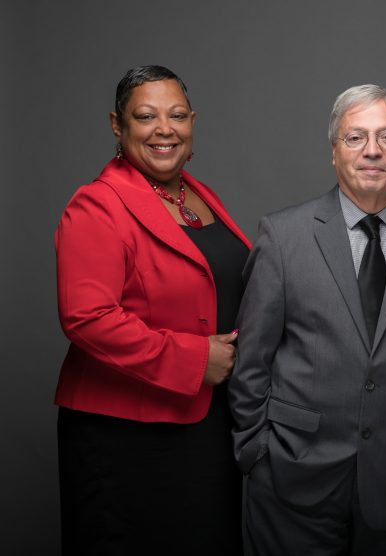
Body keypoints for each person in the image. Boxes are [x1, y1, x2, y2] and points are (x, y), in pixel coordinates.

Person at [228, 84, 386, 555]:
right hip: (291, 479)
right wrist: (255, 452)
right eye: (355, 137)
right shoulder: (283, 236)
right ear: (334, 151)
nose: (372, 151)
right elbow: (250, 361)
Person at [55, 65, 250, 555]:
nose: (165, 128)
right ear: (118, 126)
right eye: (146, 116)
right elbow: (87, 317)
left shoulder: (198, 195)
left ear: (192, 122)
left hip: (206, 425)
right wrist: (194, 360)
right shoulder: (97, 205)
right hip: (128, 436)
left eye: (177, 115)